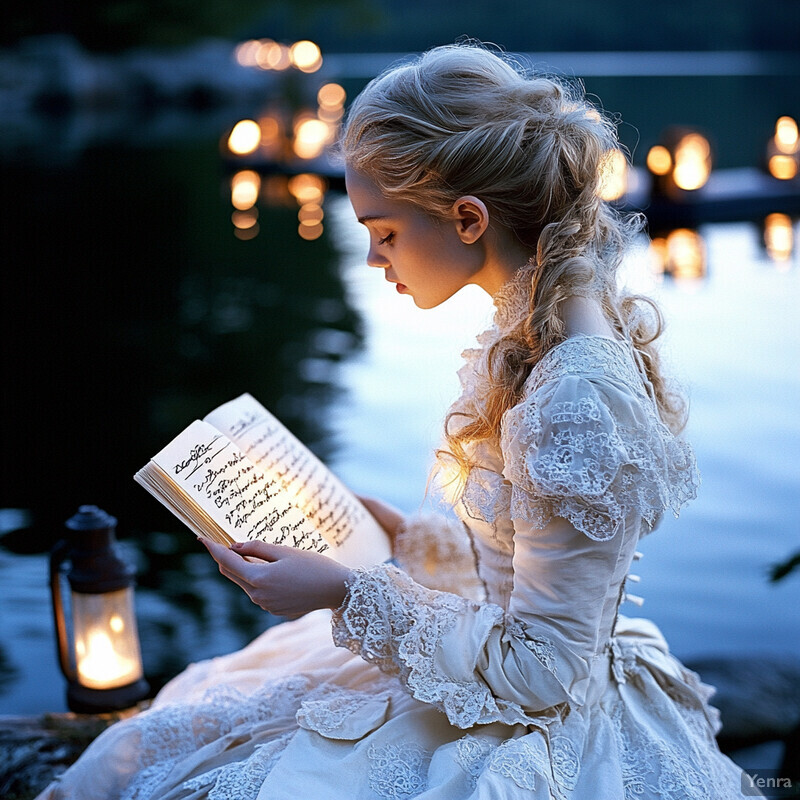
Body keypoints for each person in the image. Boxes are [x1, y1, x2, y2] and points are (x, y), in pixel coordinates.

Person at [37, 43, 759, 800]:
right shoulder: (539, 326)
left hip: (542, 720)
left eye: (384, 231)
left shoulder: (572, 396)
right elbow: (540, 562)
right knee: (186, 730)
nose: (377, 258)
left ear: (469, 218)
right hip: (516, 659)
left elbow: (541, 673)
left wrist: (347, 595)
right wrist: (414, 544)